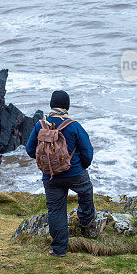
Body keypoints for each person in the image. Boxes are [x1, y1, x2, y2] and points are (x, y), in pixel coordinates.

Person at [26, 90, 98, 257]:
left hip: (50, 176)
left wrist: (47, 162)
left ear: (51, 104)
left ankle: (58, 250)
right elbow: (87, 151)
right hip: (74, 173)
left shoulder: (40, 126)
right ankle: (86, 219)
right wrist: (81, 166)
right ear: (67, 106)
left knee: (56, 210)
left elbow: (30, 150)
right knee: (85, 191)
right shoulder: (74, 126)